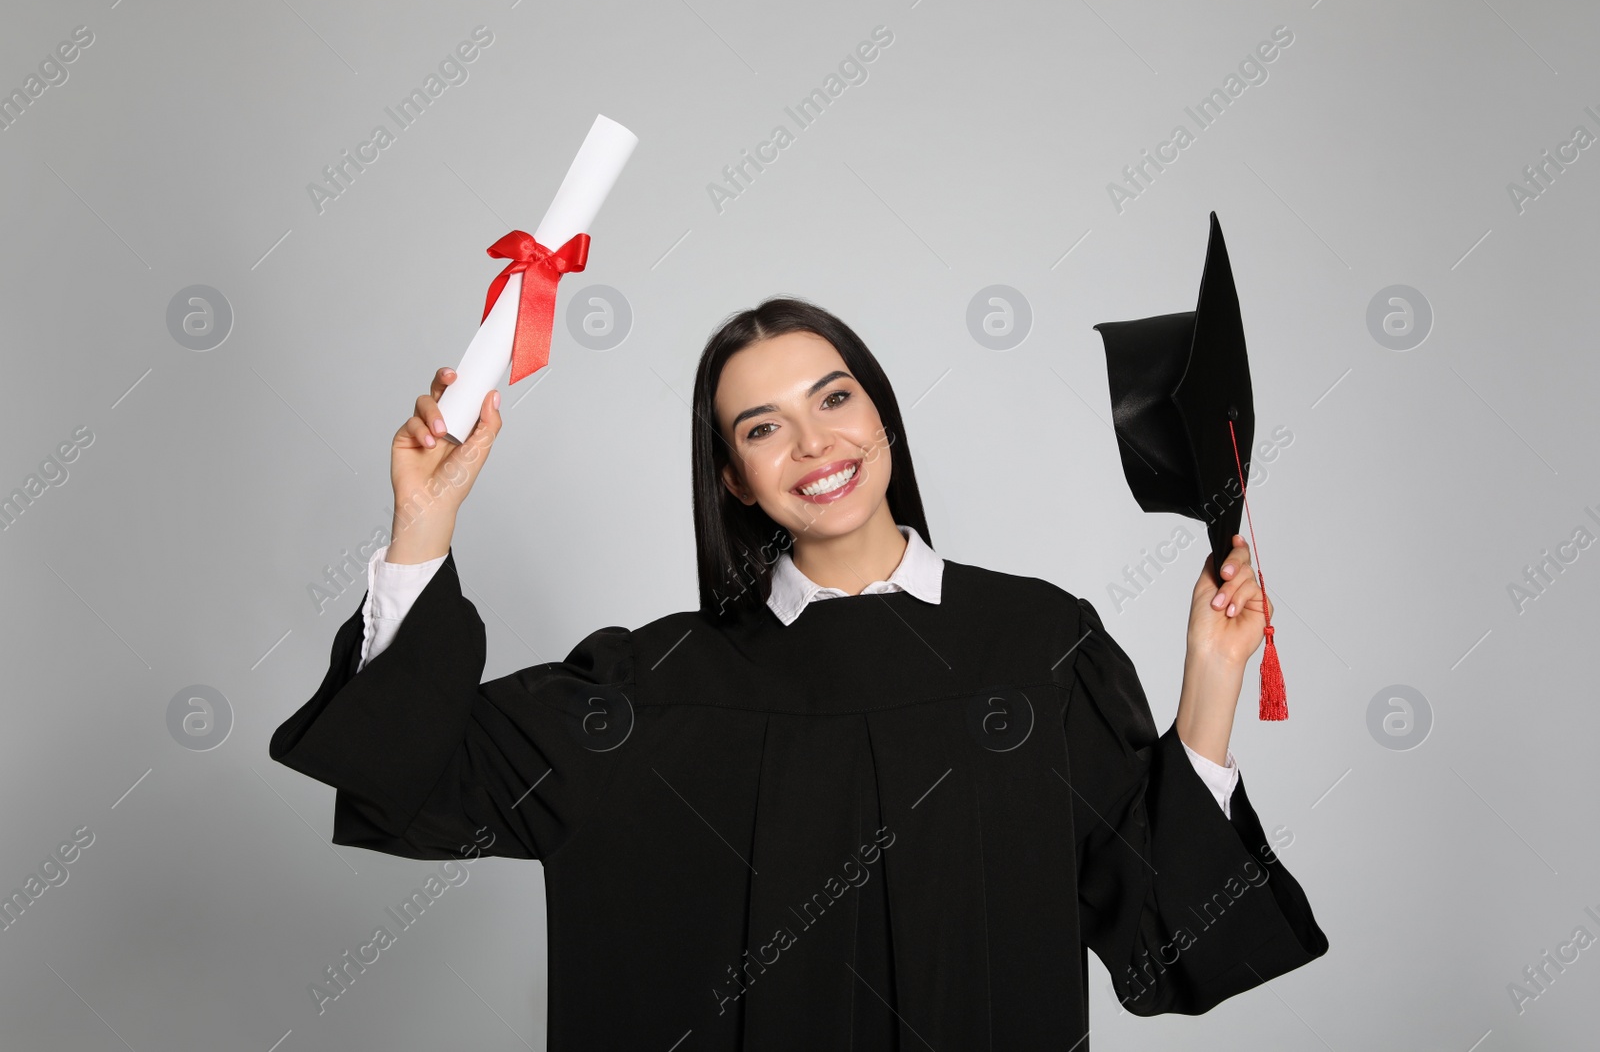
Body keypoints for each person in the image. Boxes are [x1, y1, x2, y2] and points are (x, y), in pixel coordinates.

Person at [270, 296, 1328, 1050]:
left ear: (879, 414)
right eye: (762, 427)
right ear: (732, 478)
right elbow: (415, 775)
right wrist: (422, 523)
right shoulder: (655, 685)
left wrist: (1211, 679)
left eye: (834, 398)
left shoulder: (1035, 643)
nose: (814, 443)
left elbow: (1159, 931)